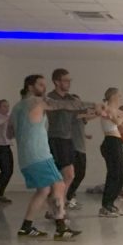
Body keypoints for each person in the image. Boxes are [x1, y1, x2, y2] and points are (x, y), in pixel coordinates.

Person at [10, 74, 83, 241]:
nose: (44, 88)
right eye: (41, 85)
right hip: (39, 155)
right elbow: (61, 104)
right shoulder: (36, 102)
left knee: (43, 190)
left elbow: (10, 132)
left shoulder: (16, 107)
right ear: (30, 87)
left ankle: (26, 228)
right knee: (58, 185)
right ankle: (61, 228)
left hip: (26, 158)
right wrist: (96, 106)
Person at [45, 69, 81, 209]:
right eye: (66, 80)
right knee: (66, 175)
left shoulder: (70, 98)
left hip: (68, 139)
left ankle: (58, 205)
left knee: (68, 176)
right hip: (56, 138)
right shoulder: (51, 97)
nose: (68, 83)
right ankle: (57, 206)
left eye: (69, 80)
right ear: (56, 82)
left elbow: (79, 111)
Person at [98, 87, 123, 218]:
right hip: (110, 142)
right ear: (112, 96)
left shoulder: (114, 110)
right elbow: (118, 121)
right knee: (113, 174)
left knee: (120, 175)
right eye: (119, 95)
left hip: (117, 142)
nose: (120, 98)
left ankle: (111, 203)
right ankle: (105, 206)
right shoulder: (106, 108)